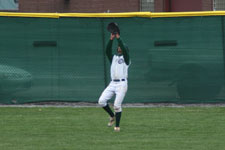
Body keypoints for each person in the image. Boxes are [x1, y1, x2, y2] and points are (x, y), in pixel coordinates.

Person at [98, 33, 130, 132]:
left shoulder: (126, 59)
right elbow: (107, 51)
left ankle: (117, 126)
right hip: (113, 83)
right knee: (101, 101)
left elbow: (124, 51)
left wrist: (119, 38)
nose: (119, 47)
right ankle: (112, 116)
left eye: (121, 46)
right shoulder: (114, 58)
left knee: (117, 105)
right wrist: (111, 39)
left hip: (122, 84)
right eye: (119, 46)